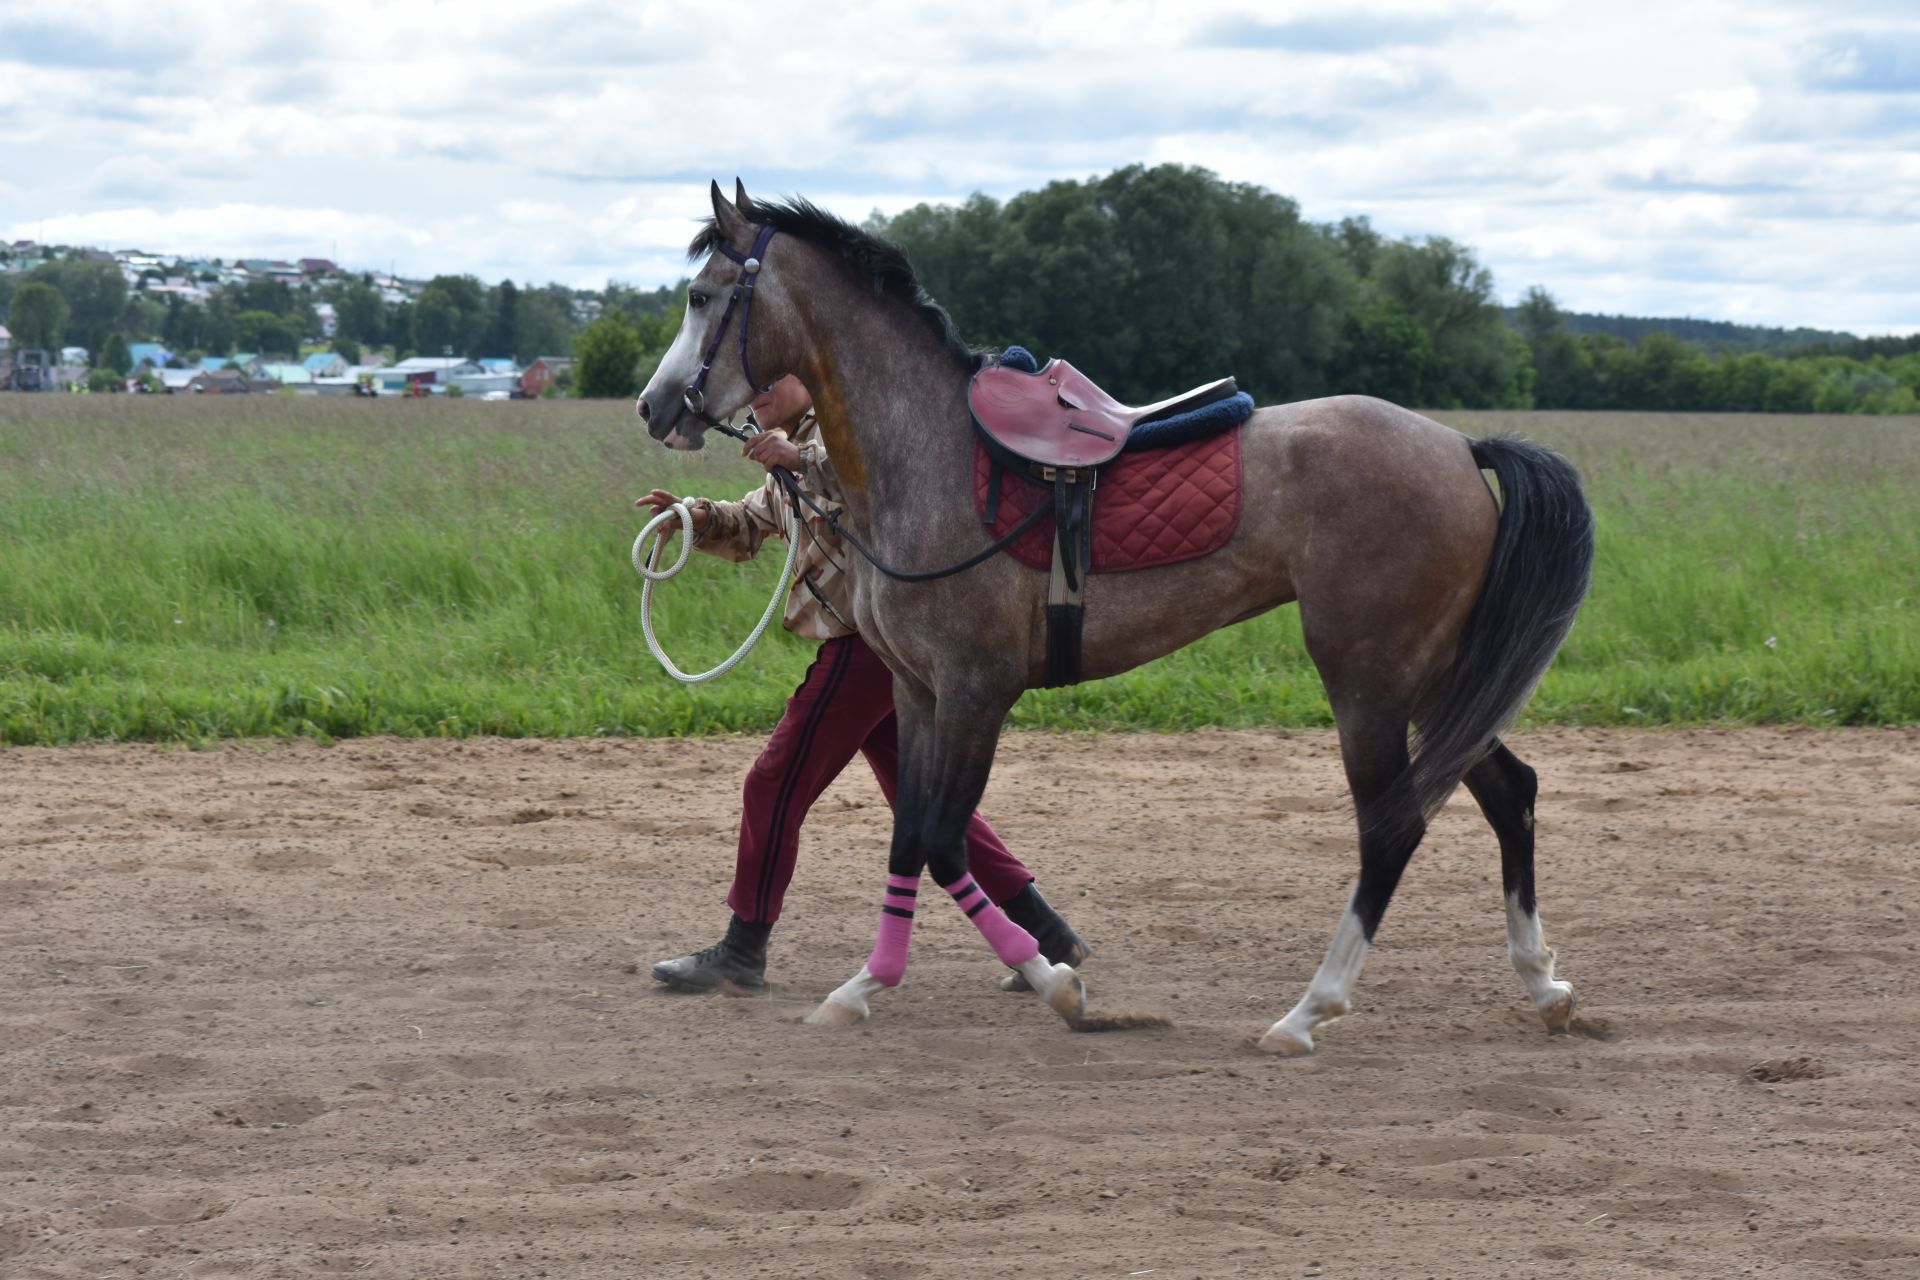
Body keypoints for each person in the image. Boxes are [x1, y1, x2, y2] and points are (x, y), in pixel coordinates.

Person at [639, 374, 1089, 993]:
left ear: (807, 377)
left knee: (773, 783)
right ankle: (1046, 934)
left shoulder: (850, 430)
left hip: (872, 642)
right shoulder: (789, 442)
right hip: (869, 642)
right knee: (925, 802)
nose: (757, 392)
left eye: (773, 378)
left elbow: (873, 475)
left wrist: (799, 458)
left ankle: (743, 949)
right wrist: (694, 517)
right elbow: (759, 519)